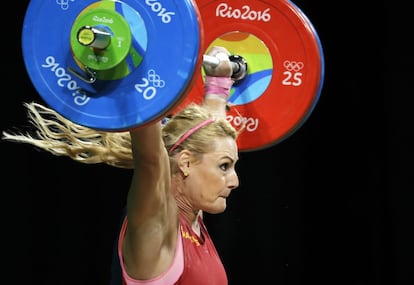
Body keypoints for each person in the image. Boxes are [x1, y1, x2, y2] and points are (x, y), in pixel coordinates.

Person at [3, 46, 241, 285]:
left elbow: (210, 141)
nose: (234, 181)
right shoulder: (158, 223)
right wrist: (135, 64)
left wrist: (218, 83)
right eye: (224, 167)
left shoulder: (193, 215)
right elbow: (150, 159)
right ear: (186, 163)